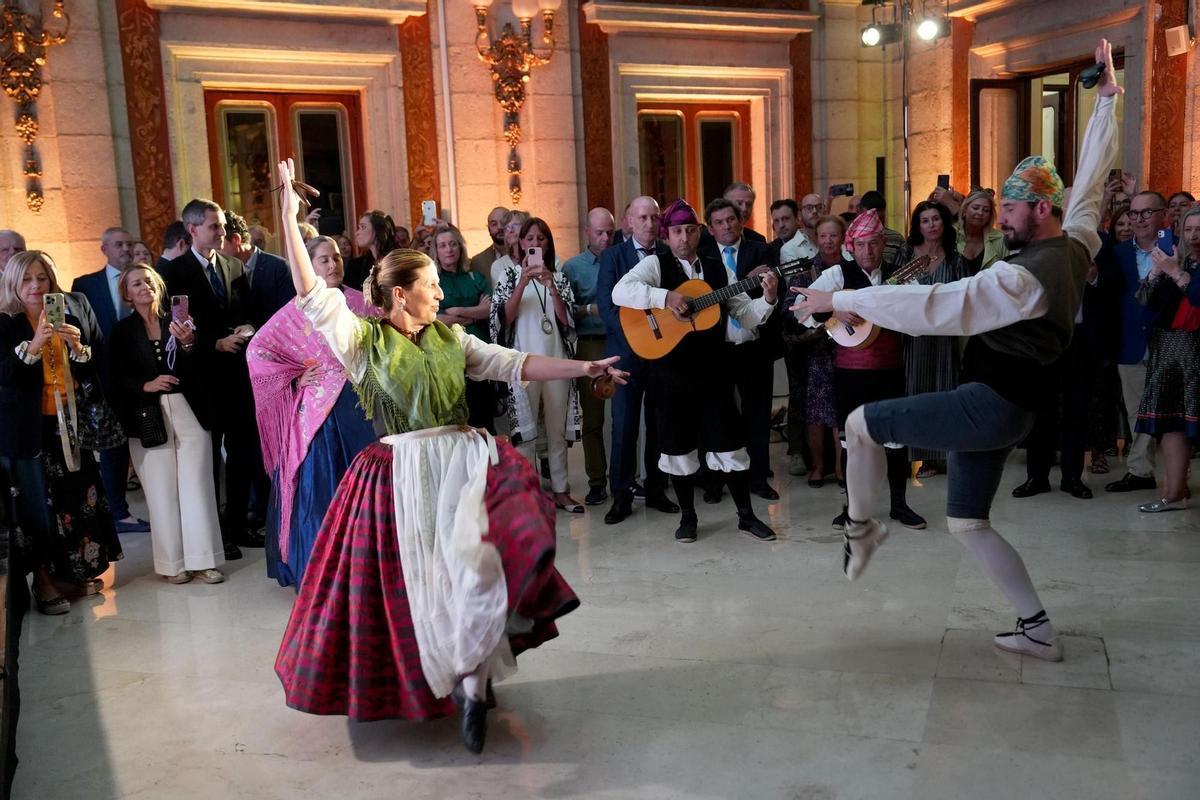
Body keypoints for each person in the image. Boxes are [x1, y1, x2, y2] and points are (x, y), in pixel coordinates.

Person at [788, 38, 1122, 662]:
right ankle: (1037, 628)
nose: (1003, 218)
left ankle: (862, 529)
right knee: (967, 521)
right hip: (1009, 408)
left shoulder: (1021, 277)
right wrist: (1106, 103)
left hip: (988, 406)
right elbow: (1093, 190)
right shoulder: (1076, 243)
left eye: (1015, 209)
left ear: (1041, 210)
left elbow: (940, 307)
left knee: (860, 422)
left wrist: (844, 301)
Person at [272, 158, 610, 754]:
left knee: (478, 568)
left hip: (466, 462)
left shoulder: (454, 339)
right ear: (400, 294)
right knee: (422, 586)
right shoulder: (362, 340)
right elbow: (311, 293)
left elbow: (516, 364)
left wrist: (583, 366)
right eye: (429, 284)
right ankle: (443, 677)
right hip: (397, 473)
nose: (439, 291)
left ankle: (475, 685)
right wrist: (289, 218)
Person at [612, 198, 778, 544]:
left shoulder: (718, 269)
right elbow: (620, 291)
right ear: (666, 235)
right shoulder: (656, 266)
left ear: (699, 231)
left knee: (731, 443)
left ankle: (746, 517)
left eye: (689, 229)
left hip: (715, 372)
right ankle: (688, 518)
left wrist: (769, 300)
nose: (684, 237)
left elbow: (744, 313)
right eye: (676, 231)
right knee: (677, 448)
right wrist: (665, 298)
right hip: (671, 375)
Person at [248, 235, 376, 588]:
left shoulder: (361, 301)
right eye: (323, 260)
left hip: (362, 406)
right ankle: (323, 574)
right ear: (308, 266)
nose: (333, 264)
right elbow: (259, 350)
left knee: (367, 489)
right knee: (320, 490)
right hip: (317, 415)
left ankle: (368, 570)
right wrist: (295, 375)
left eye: (336, 257)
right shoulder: (297, 309)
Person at [0, 251, 123, 614]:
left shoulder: (66, 314)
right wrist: (35, 345)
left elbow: (94, 369)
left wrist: (77, 348)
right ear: (13, 284)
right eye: (27, 280)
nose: (36, 286)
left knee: (73, 502)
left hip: (68, 425)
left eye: (42, 278)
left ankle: (71, 573)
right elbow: (6, 377)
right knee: (37, 508)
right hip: (27, 433)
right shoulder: (6, 324)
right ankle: (42, 581)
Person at [799, 210, 926, 531]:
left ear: (883, 243)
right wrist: (835, 310)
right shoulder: (838, 276)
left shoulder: (899, 275)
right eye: (860, 245)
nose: (867, 251)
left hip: (890, 369)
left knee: (896, 439)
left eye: (873, 244)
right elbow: (801, 307)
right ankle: (852, 509)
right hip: (849, 374)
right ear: (850, 247)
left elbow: (917, 316)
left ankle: (899, 505)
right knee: (850, 442)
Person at [159, 198, 263, 559]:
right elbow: (175, 328)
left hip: (238, 374)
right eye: (214, 226)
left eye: (221, 226)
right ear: (192, 230)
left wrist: (248, 327)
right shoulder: (174, 273)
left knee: (241, 452)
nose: (222, 232)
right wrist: (213, 343)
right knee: (208, 459)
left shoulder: (234, 266)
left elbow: (248, 311)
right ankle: (215, 533)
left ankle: (238, 525)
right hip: (203, 377)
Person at [110, 265, 225, 584]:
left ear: (158, 286)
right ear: (127, 294)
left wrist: (189, 342)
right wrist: (145, 385)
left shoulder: (179, 321)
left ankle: (204, 560)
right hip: (147, 417)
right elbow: (114, 379)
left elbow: (201, 366)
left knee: (197, 487)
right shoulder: (121, 332)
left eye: (149, 280)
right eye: (136, 283)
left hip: (190, 410)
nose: (144, 286)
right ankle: (173, 563)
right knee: (161, 492)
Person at [490, 218, 583, 512]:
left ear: (548, 244)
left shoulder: (559, 277)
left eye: (541, 238)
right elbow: (503, 319)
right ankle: (527, 494)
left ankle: (561, 490)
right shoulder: (508, 276)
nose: (534, 243)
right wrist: (523, 283)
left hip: (556, 360)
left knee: (556, 430)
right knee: (525, 433)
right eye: (529, 238)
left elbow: (568, 322)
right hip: (522, 363)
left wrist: (551, 286)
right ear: (520, 243)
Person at [595, 196, 678, 524]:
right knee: (625, 426)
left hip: (661, 354)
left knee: (659, 424)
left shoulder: (667, 256)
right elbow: (606, 304)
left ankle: (657, 489)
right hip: (626, 354)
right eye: (642, 217)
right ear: (628, 221)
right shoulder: (614, 256)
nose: (649, 223)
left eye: (654, 217)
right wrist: (637, 336)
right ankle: (621, 495)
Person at [71, 227, 152, 534]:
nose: (126, 249)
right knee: (113, 447)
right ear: (104, 248)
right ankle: (117, 510)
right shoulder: (85, 284)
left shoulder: (144, 280)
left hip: (142, 376)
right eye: (119, 244)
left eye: (129, 244)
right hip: (105, 379)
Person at [702, 197, 779, 500]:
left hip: (754, 347)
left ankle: (758, 479)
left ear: (740, 220)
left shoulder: (760, 250)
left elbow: (774, 291)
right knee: (717, 415)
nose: (726, 226)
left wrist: (765, 286)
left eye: (731, 219)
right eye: (719, 222)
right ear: (710, 228)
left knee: (758, 415)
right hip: (717, 350)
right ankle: (715, 481)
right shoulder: (704, 257)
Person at [1106, 191, 1176, 493]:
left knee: (1173, 412)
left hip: (1172, 342)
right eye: (1133, 214)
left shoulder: (1178, 249)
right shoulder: (1118, 253)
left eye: (1146, 213)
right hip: (1131, 342)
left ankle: (1176, 475)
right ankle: (1141, 471)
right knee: (1136, 411)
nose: (1138, 220)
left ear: (1163, 215)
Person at [1132, 206, 1200, 512]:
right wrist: (1157, 274)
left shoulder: (1182, 267)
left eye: (1199, 230)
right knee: (1171, 425)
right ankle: (1173, 494)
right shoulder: (1177, 258)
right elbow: (1144, 303)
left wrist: (1176, 273)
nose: (1193, 236)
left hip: (1196, 348)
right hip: (1168, 349)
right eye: (1188, 229)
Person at [898, 201, 972, 478]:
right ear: (918, 226)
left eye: (936, 219)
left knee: (941, 393)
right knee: (911, 393)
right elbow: (892, 289)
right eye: (925, 220)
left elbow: (965, 298)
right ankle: (905, 456)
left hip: (942, 339)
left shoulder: (955, 260)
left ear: (944, 224)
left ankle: (934, 457)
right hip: (911, 338)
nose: (931, 225)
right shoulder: (907, 254)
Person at [782, 215, 843, 485]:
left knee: (842, 412)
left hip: (848, 346)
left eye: (834, 235)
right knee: (817, 411)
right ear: (816, 239)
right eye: (823, 236)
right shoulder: (806, 271)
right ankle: (818, 467)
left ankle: (842, 467)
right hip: (817, 349)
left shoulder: (851, 268)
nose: (828, 241)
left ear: (843, 238)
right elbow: (789, 308)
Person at [562, 208, 616, 506]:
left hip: (621, 341)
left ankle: (627, 478)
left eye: (609, 231)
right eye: (599, 232)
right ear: (587, 232)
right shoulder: (574, 267)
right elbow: (566, 311)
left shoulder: (621, 258)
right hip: (591, 343)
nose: (605, 237)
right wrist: (588, 309)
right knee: (593, 417)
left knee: (622, 415)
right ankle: (597, 480)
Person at [431, 225, 495, 430]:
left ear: (460, 248)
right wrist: (474, 311)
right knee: (459, 421)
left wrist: (457, 311)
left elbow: (489, 310)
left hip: (480, 352)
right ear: (436, 251)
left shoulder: (475, 277)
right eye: (443, 245)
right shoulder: (431, 282)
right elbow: (434, 318)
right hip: (448, 355)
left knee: (484, 418)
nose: (449, 249)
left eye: (453, 244)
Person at [221, 210, 295, 327]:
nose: (214, 251)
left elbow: (289, 315)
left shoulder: (279, 268)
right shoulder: (221, 271)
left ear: (236, 240)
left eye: (219, 244)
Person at [956, 188, 1009, 273]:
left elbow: (1008, 273)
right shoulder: (951, 234)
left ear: (990, 216)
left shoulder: (1000, 239)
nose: (980, 213)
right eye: (976, 208)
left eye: (986, 210)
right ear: (965, 210)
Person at [344, 210, 397, 290]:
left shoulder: (397, 260)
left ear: (378, 230)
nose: (357, 233)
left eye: (363, 227)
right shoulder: (356, 265)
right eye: (359, 228)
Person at [488, 210, 530, 291]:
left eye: (515, 225)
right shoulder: (498, 265)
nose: (510, 230)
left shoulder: (546, 260)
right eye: (506, 227)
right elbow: (501, 301)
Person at [469, 206, 509, 277]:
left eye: (503, 222)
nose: (499, 227)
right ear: (489, 229)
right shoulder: (478, 262)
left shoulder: (526, 255)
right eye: (494, 224)